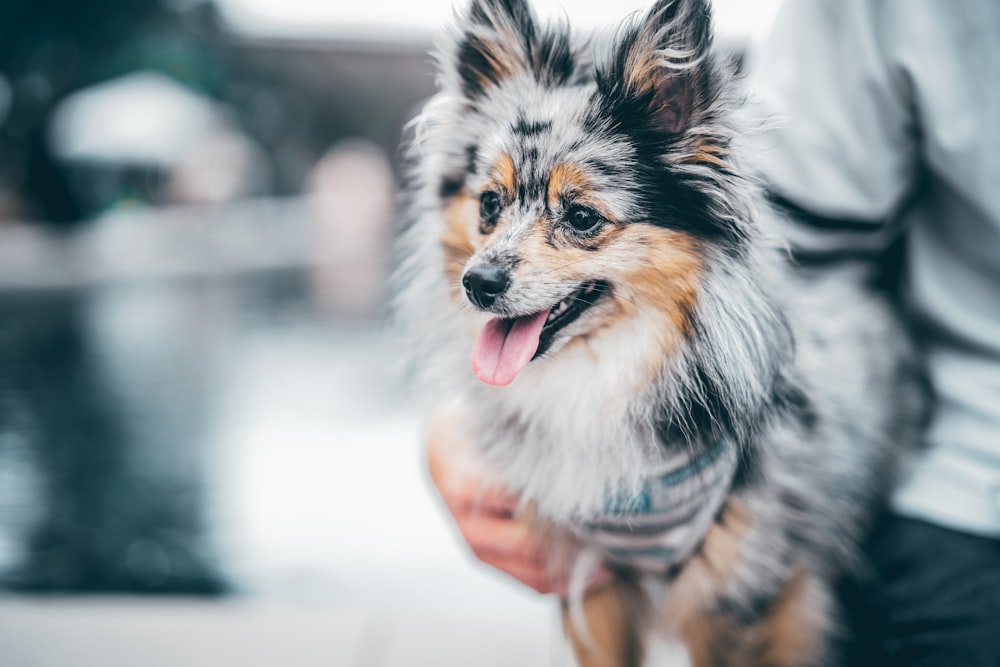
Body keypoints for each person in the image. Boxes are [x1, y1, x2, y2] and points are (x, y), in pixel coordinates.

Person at [427, 0, 1000, 664]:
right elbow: (803, 230)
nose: (490, 261)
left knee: (749, 617)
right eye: (492, 206)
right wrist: (458, 422)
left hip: (953, 446)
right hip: (965, 460)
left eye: (581, 218)